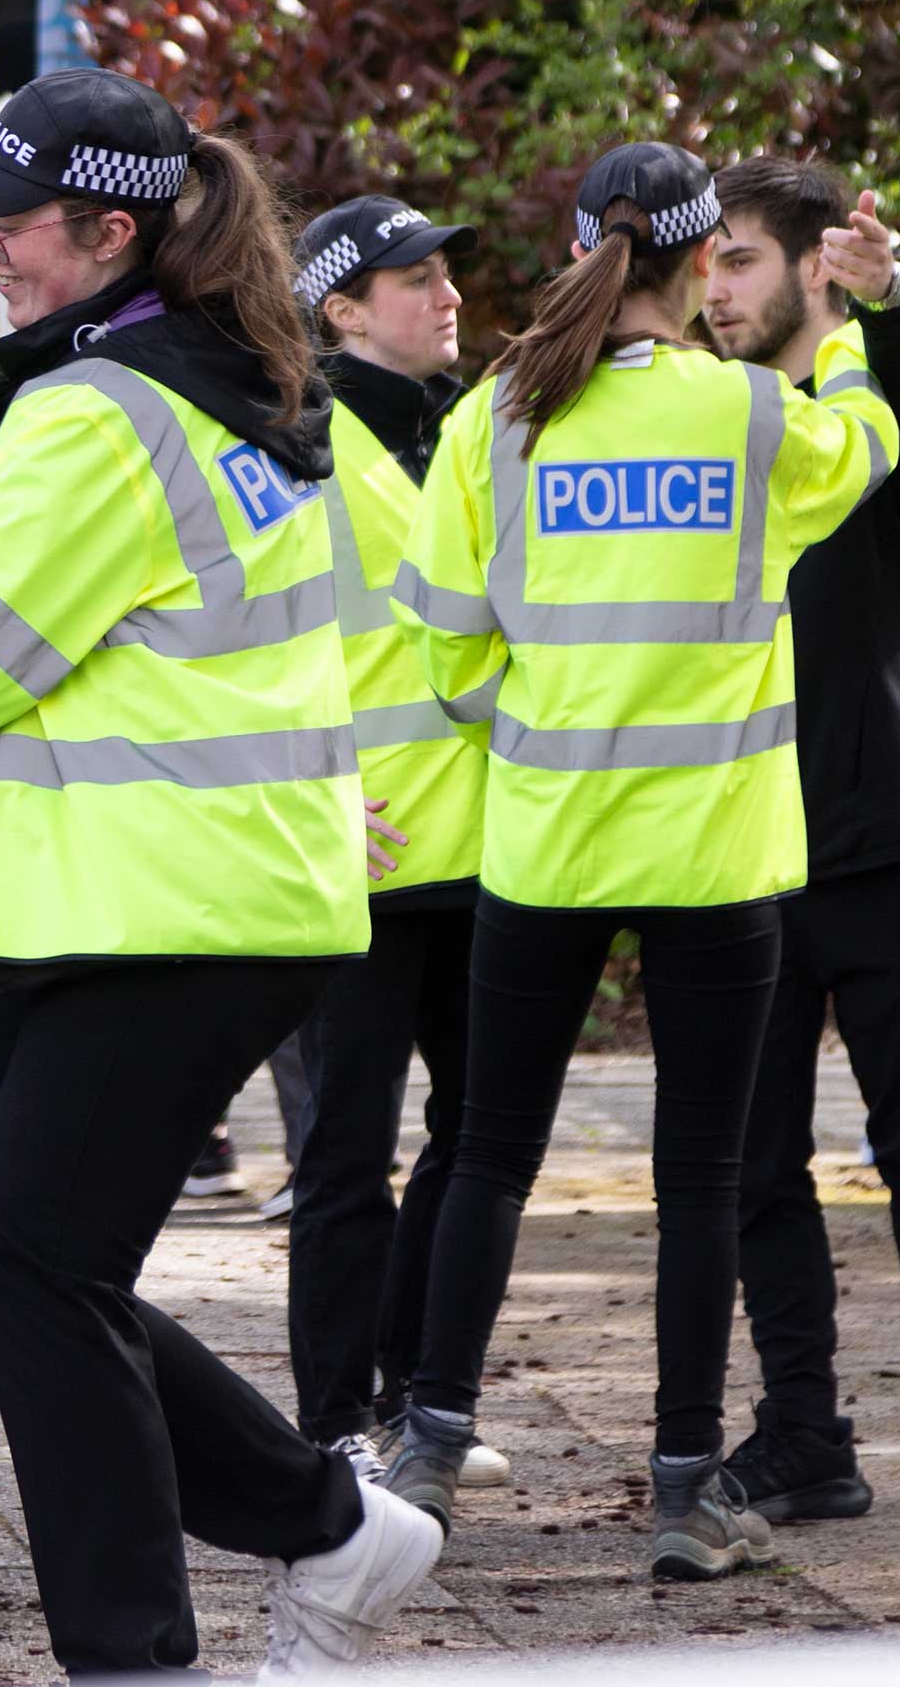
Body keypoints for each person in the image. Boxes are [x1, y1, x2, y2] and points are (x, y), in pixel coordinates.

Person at [0, 67, 444, 1682]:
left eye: (10, 220)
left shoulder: (98, 414)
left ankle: (139, 1652)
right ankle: (335, 1530)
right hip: (189, 893)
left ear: (111, 229)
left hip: (165, 905)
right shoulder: (228, 380)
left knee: (41, 1272)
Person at [379, 141, 898, 1583]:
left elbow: (442, 642)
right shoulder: (748, 415)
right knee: (700, 1173)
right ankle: (684, 1488)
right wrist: (845, 336)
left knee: (489, 1153)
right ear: (691, 266)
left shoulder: (493, 418)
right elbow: (870, 449)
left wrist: (538, 718)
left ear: (579, 248)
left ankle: (430, 1440)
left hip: (544, 845)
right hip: (717, 856)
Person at [705, 158, 900, 1519]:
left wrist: (898, 307)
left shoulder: (878, 406)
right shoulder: (717, 426)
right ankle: (806, 1434)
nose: (715, 291)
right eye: (705, 265)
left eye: (741, 262)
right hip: (748, 848)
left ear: (816, 268)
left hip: (895, 843)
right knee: (756, 1165)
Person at [284, 195, 506, 1490]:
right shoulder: (301, 449)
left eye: (445, 275)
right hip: (359, 855)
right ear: (342, 308)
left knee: (481, 1138)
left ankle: (420, 1401)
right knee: (343, 1157)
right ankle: (330, 1423)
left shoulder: (476, 432)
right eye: (414, 279)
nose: (447, 296)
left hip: (487, 851)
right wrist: (302, 795)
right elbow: (256, 649)